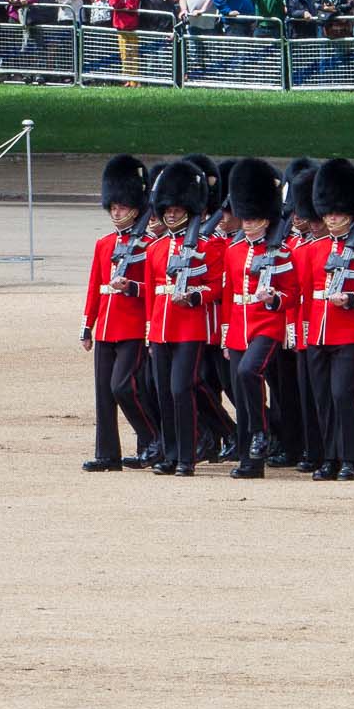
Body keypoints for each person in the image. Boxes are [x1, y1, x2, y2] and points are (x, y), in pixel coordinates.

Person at [141, 163, 223, 476]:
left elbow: (216, 286)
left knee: (180, 389)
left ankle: (187, 456)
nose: (172, 215)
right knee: (163, 393)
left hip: (189, 326)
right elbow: (151, 292)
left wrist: (194, 295)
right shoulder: (156, 247)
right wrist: (150, 330)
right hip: (161, 327)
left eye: (177, 210)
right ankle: (171, 453)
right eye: (168, 210)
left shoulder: (207, 245)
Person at [218, 157, 296, 479]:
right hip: (239, 326)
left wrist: (275, 300)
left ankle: (261, 434)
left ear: (266, 218)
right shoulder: (234, 251)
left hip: (267, 323)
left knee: (250, 372)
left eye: (254, 218)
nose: (247, 223)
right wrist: (225, 333)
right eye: (245, 218)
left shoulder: (282, 250)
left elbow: (293, 292)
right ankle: (251, 462)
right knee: (239, 387)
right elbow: (228, 295)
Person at [295, 159, 354, 481]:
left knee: (343, 394)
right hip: (318, 334)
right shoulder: (315, 250)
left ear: (350, 214)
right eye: (327, 214)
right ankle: (329, 457)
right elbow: (299, 292)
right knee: (323, 399)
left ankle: (349, 458)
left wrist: (352, 300)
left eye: (337, 214)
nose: (330, 219)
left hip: (350, 333)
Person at [80, 155, 156, 471]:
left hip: (134, 326)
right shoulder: (104, 244)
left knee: (123, 386)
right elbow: (95, 286)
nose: (116, 211)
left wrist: (132, 288)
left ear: (136, 209)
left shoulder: (149, 244)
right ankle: (107, 454)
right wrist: (88, 326)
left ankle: (152, 439)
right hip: (107, 328)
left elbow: (152, 287)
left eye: (122, 207)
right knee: (104, 394)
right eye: (113, 207)